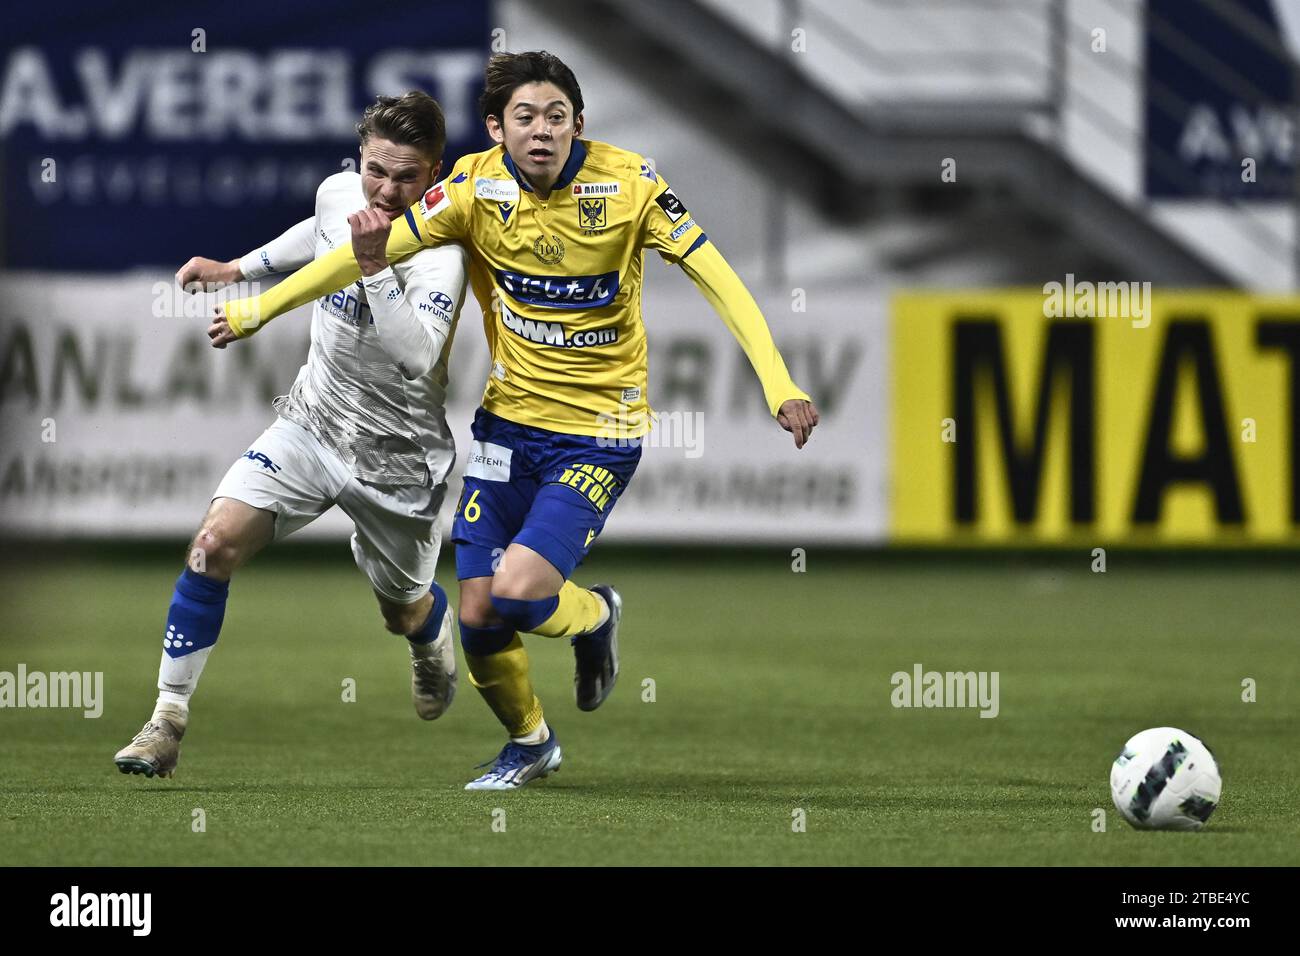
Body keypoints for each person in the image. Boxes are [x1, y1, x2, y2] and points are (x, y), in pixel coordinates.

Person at [217, 52, 820, 790]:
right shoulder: (471, 188)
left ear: (580, 125)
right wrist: (258, 306)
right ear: (497, 128)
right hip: (507, 428)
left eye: (557, 117)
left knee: (521, 594)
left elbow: (719, 280)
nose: (542, 132)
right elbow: (357, 257)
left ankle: (594, 617)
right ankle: (531, 742)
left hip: (600, 431)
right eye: (525, 118)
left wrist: (779, 382)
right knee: (476, 617)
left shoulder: (631, 186)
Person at [114, 91, 469, 778]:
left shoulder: (442, 252)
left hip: (398, 461)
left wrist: (373, 267)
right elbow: (318, 233)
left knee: (402, 610)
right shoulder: (341, 194)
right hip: (312, 423)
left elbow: (417, 355)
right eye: (376, 170)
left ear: (436, 173)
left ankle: (428, 635)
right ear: (359, 158)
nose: (387, 191)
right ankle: (165, 721)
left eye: (407, 177)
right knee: (211, 546)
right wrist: (237, 270)